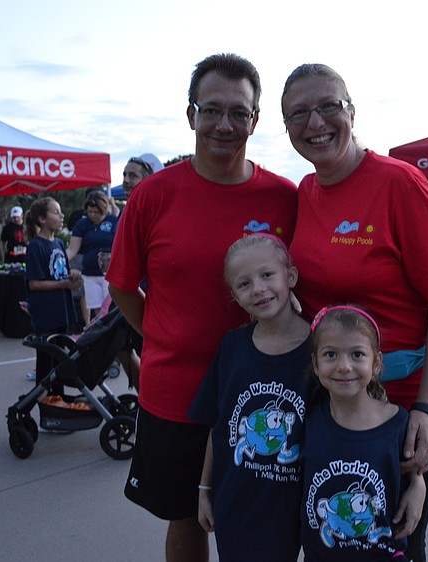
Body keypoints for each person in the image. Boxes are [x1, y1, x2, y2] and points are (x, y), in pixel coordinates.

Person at [107, 53, 298, 562]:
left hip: (267, 395)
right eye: (211, 110)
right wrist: (163, 335)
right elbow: (122, 286)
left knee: (268, 521)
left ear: (255, 120)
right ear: (191, 114)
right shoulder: (152, 196)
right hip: (177, 397)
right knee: (187, 520)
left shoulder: (285, 197)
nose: (224, 124)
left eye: (239, 112)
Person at [281, 63, 428, 562]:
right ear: (286, 126)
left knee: (396, 538)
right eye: (298, 113)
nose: (315, 122)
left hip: (407, 401)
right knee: (333, 531)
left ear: (352, 112)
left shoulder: (400, 184)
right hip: (335, 396)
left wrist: (426, 409)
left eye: (329, 106)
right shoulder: (305, 192)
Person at [188, 234, 312, 562]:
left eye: (267, 275)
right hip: (237, 499)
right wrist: (204, 489)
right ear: (234, 295)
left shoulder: (320, 352)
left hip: (297, 502)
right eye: (244, 284)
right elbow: (218, 425)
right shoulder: (232, 348)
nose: (258, 289)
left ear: (291, 277)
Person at [303, 305, 426, 561]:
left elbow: (412, 471)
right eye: (331, 354)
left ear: (377, 363)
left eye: (357, 354)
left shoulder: (398, 424)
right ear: (315, 363)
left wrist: (418, 484)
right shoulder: (309, 419)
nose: (344, 366)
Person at [24, 197, 82, 394]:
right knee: (46, 364)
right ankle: (42, 401)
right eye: (56, 212)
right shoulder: (36, 246)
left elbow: (61, 274)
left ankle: (58, 400)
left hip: (61, 311)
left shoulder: (58, 243)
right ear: (42, 219)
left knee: (59, 363)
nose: (61, 215)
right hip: (46, 315)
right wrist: (64, 283)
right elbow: (34, 283)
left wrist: (72, 276)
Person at [66, 190, 119, 321]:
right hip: (89, 274)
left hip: (109, 274)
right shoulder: (82, 224)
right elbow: (72, 249)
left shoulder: (113, 221)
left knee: (110, 309)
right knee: (98, 311)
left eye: (96, 212)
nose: (93, 215)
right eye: (90, 212)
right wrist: (61, 260)